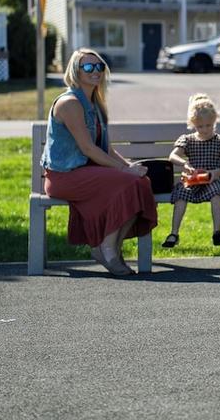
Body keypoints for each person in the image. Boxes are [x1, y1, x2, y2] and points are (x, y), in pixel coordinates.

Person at [42, 48, 158, 276]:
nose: (95, 71)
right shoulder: (69, 103)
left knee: (141, 183)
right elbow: (87, 148)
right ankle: (107, 249)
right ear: (75, 71)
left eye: (99, 66)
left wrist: (130, 168)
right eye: (88, 66)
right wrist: (125, 171)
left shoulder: (95, 104)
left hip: (87, 172)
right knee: (130, 183)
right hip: (65, 176)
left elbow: (106, 149)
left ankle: (107, 246)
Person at [162, 93, 220, 248]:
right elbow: (173, 156)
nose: (205, 130)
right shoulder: (187, 140)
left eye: (208, 125)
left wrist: (215, 173)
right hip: (194, 180)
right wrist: (185, 165)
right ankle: (174, 233)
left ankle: (217, 232)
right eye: (200, 126)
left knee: (216, 196)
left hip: (214, 179)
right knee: (181, 195)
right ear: (193, 124)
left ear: (214, 122)